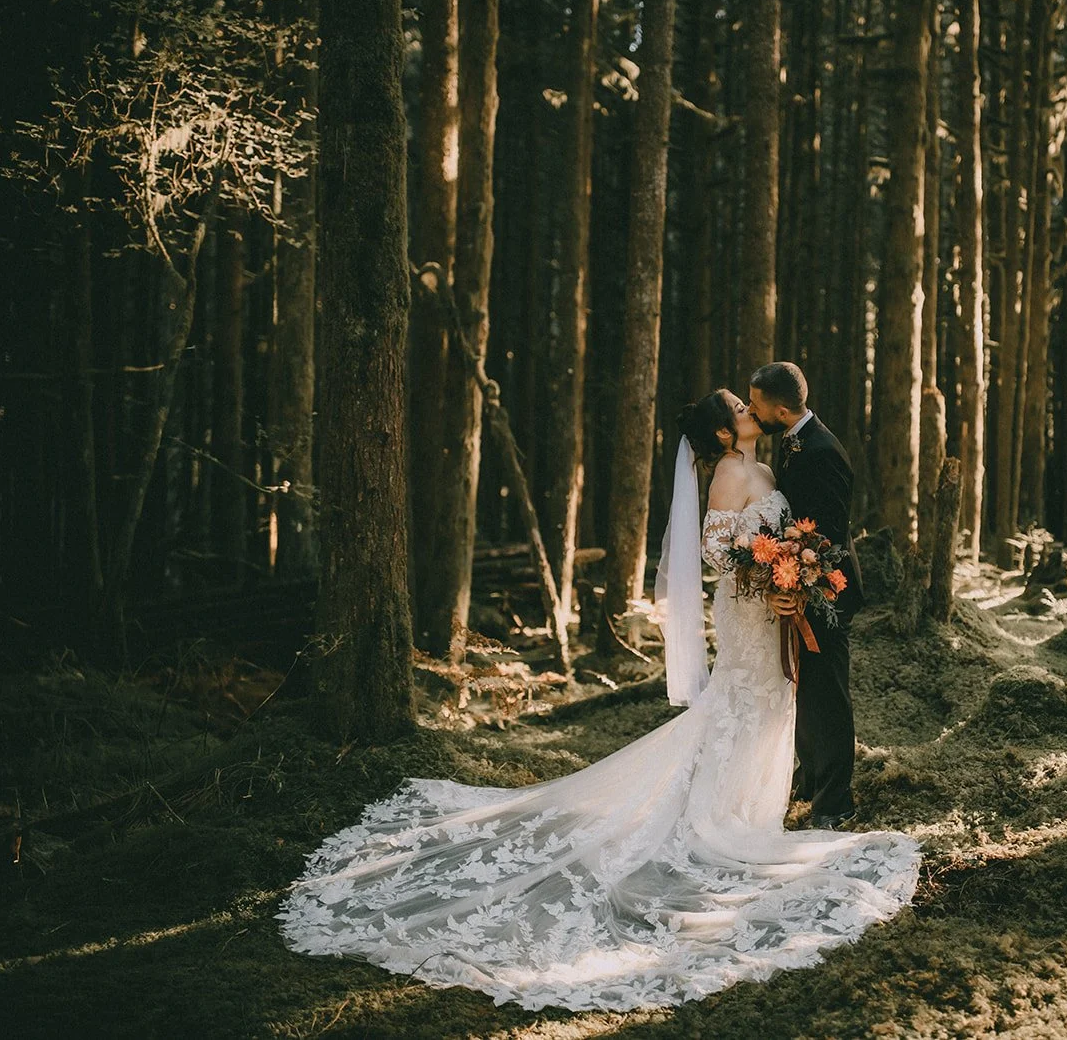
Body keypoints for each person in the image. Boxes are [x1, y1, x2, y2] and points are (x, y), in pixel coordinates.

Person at [275, 388, 919, 1014]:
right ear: (725, 433)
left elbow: (787, 532)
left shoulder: (762, 466)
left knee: (768, 704)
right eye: (740, 409)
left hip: (771, 610)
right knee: (742, 704)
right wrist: (767, 571)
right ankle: (719, 816)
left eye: (752, 404)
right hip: (749, 609)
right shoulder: (728, 472)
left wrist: (791, 571)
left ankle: (753, 805)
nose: (750, 412)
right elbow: (719, 553)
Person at [747, 361, 866, 829]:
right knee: (808, 691)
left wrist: (802, 583)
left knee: (829, 696)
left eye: (756, 405)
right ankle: (811, 776)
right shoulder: (793, 441)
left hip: (827, 594)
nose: (752, 412)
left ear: (780, 409)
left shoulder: (823, 450)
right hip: (800, 587)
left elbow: (830, 537)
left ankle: (835, 803)